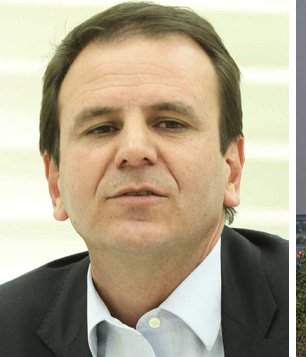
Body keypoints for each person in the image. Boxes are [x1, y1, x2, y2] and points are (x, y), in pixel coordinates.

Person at [0, 2, 288, 356]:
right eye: (102, 128)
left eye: (170, 123)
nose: (135, 151)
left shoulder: (297, 300)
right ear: (55, 182)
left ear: (232, 168)